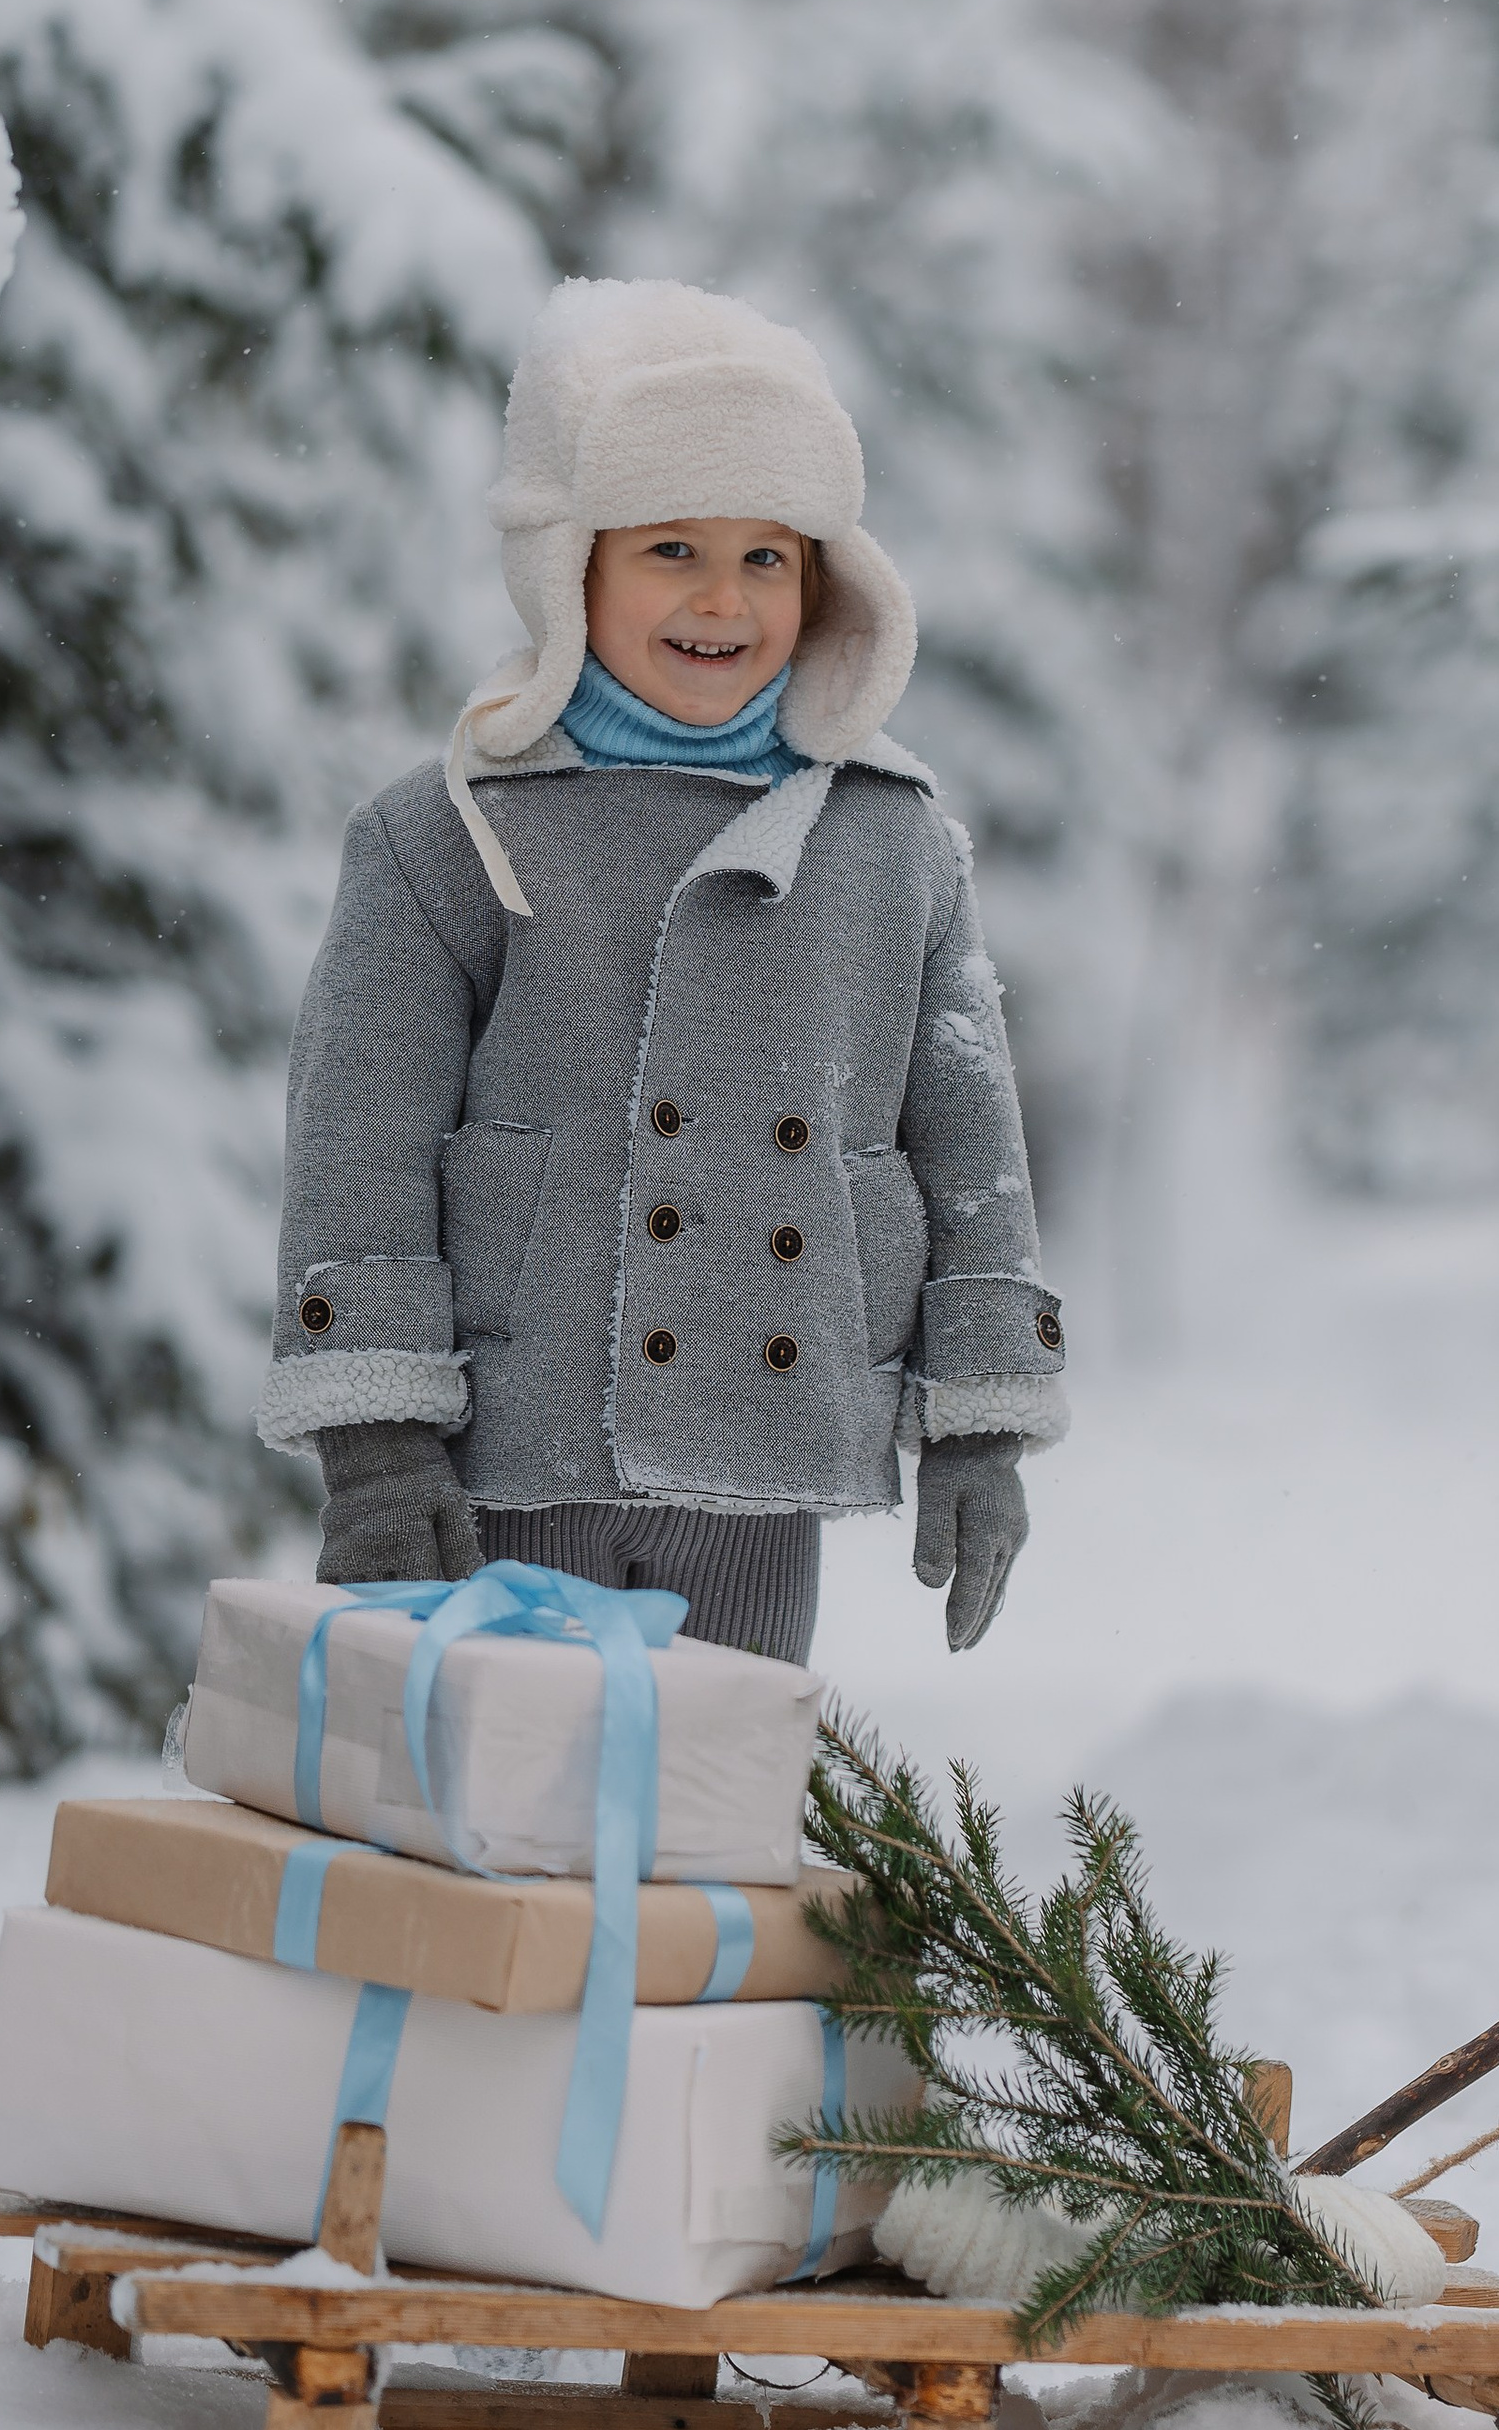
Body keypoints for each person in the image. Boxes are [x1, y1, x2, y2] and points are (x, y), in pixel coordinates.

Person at [257, 277, 1066, 1664]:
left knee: (703, 1819)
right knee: (506, 1830)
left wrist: (981, 1424)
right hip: (514, 1444)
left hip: (768, 1435)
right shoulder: (447, 829)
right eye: (672, 548)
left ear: (824, 582)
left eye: (768, 557)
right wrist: (379, 1448)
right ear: (574, 566)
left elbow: (968, 1145)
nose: (722, 598)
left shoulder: (893, 840)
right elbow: (361, 1142)